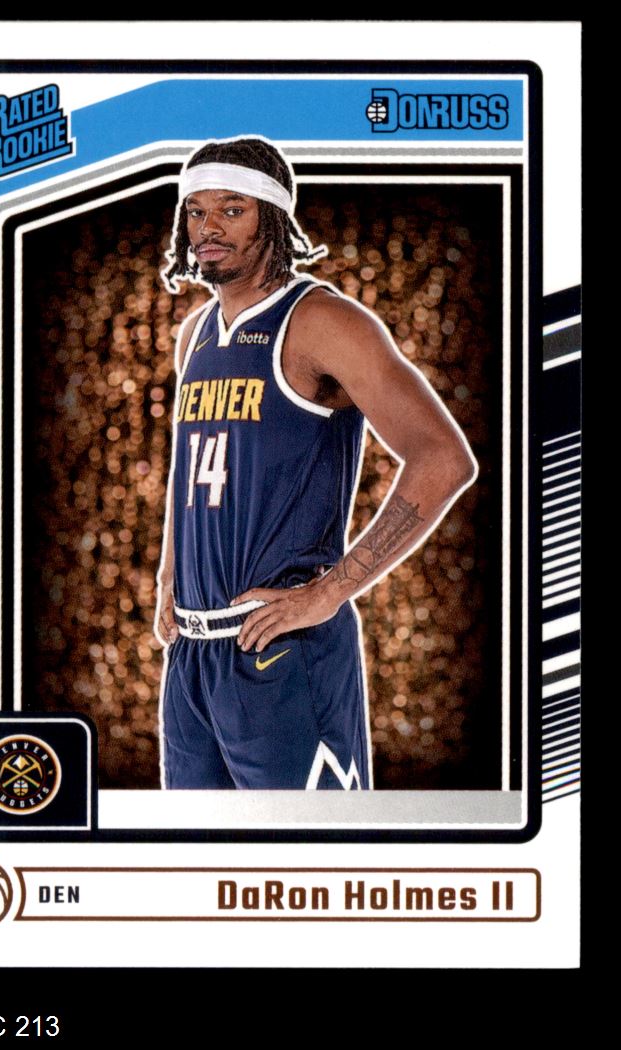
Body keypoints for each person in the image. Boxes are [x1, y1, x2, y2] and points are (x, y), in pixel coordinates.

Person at [154, 136, 477, 790]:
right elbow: (191, 465)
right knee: (194, 853)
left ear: (273, 217)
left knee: (310, 848)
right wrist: (169, 573)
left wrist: (331, 591)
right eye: (196, 211)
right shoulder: (194, 334)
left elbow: (443, 459)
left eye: (232, 209)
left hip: (283, 653)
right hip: (191, 660)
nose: (208, 228)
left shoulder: (322, 322)